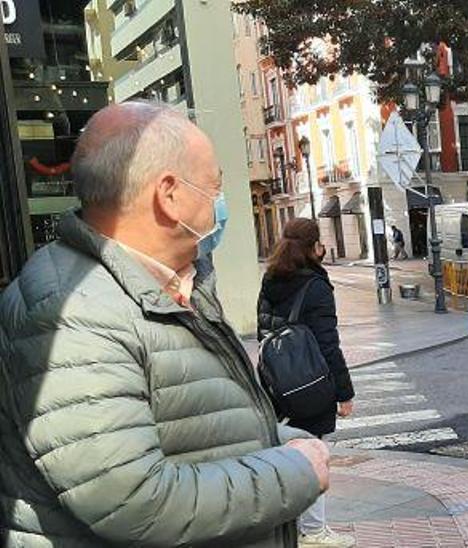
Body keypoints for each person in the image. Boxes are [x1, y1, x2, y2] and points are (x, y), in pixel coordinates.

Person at [0, 101, 327, 546]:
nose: (220, 199)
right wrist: (295, 471)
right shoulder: (78, 314)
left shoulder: (171, 282)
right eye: (215, 184)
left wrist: (272, 437)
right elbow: (131, 499)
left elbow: (188, 422)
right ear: (169, 195)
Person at [258, 218, 357, 548]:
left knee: (286, 452)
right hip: (310, 383)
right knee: (313, 453)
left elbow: (263, 330)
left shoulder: (271, 278)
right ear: (315, 247)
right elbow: (328, 343)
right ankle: (314, 532)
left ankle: (289, 529)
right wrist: (344, 393)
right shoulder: (315, 286)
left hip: (276, 383)